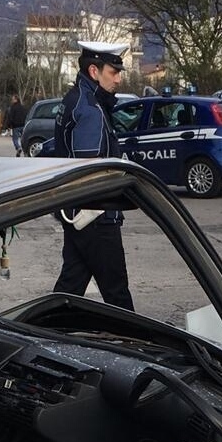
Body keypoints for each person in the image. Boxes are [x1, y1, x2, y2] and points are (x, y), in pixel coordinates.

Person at [50, 41, 135, 312]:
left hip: (79, 215)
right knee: (117, 295)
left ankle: (41, 333)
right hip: (96, 216)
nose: (119, 78)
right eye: (114, 72)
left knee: (69, 289)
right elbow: (91, 172)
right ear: (94, 71)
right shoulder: (90, 109)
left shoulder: (77, 99)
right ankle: (136, 346)